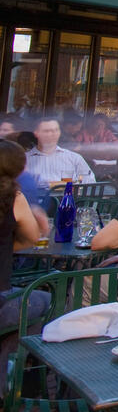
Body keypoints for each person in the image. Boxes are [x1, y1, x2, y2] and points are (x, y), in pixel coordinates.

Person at [0, 140, 50, 339]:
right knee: (53, 301)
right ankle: (14, 365)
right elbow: (32, 238)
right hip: (2, 299)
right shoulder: (15, 199)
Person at [24, 118, 95, 185]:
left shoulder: (74, 158)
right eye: (47, 131)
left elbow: (89, 183)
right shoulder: (23, 159)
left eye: (56, 130)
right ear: (36, 133)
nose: (53, 134)